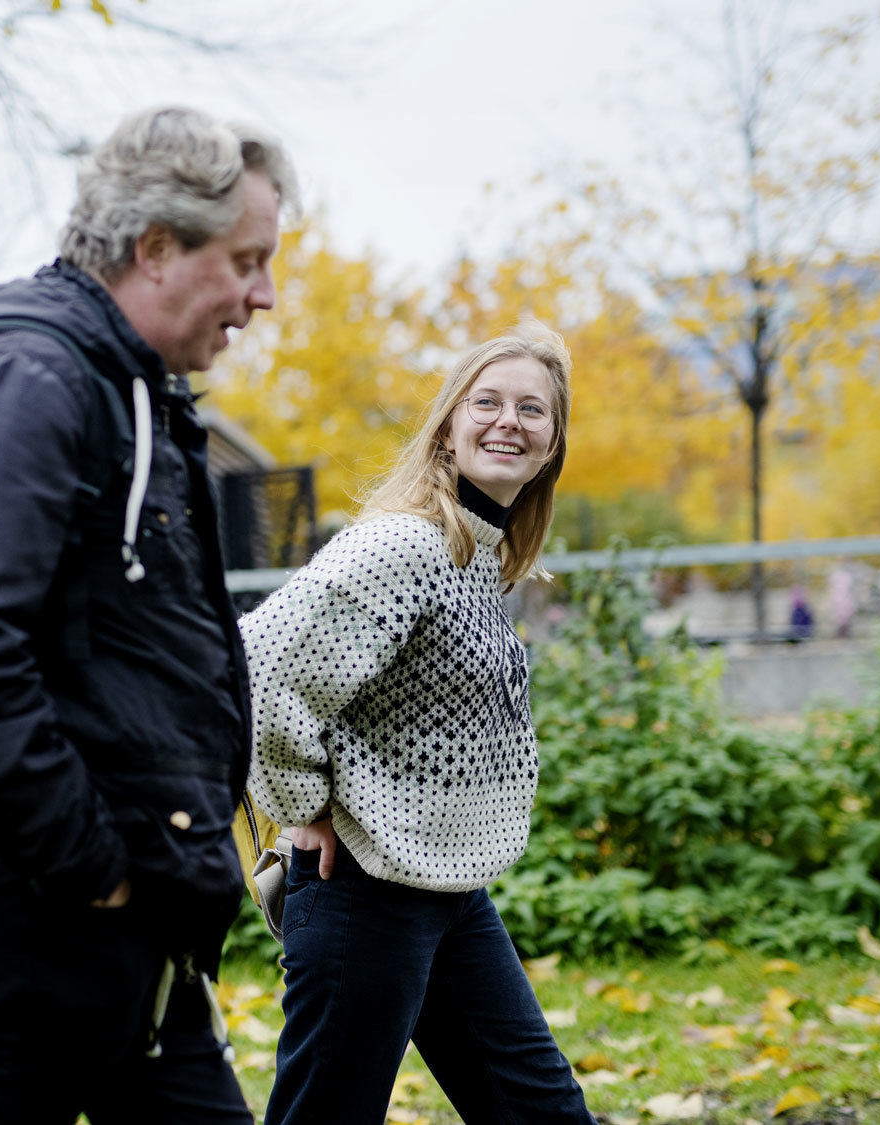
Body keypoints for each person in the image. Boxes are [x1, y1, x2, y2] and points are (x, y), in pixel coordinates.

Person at [0, 106, 296, 1124]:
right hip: (37, 917)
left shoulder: (123, 385)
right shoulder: (29, 376)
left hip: (117, 918)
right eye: (245, 260)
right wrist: (95, 869)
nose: (263, 296)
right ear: (155, 248)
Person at [243, 332, 597, 1125]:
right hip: (363, 892)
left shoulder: (476, 554)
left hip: (446, 890)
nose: (510, 421)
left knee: (542, 1111)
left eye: (532, 409)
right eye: (489, 402)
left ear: (552, 444)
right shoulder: (407, 544)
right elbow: (261, 665)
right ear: (448, 425)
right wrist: (302, 805)